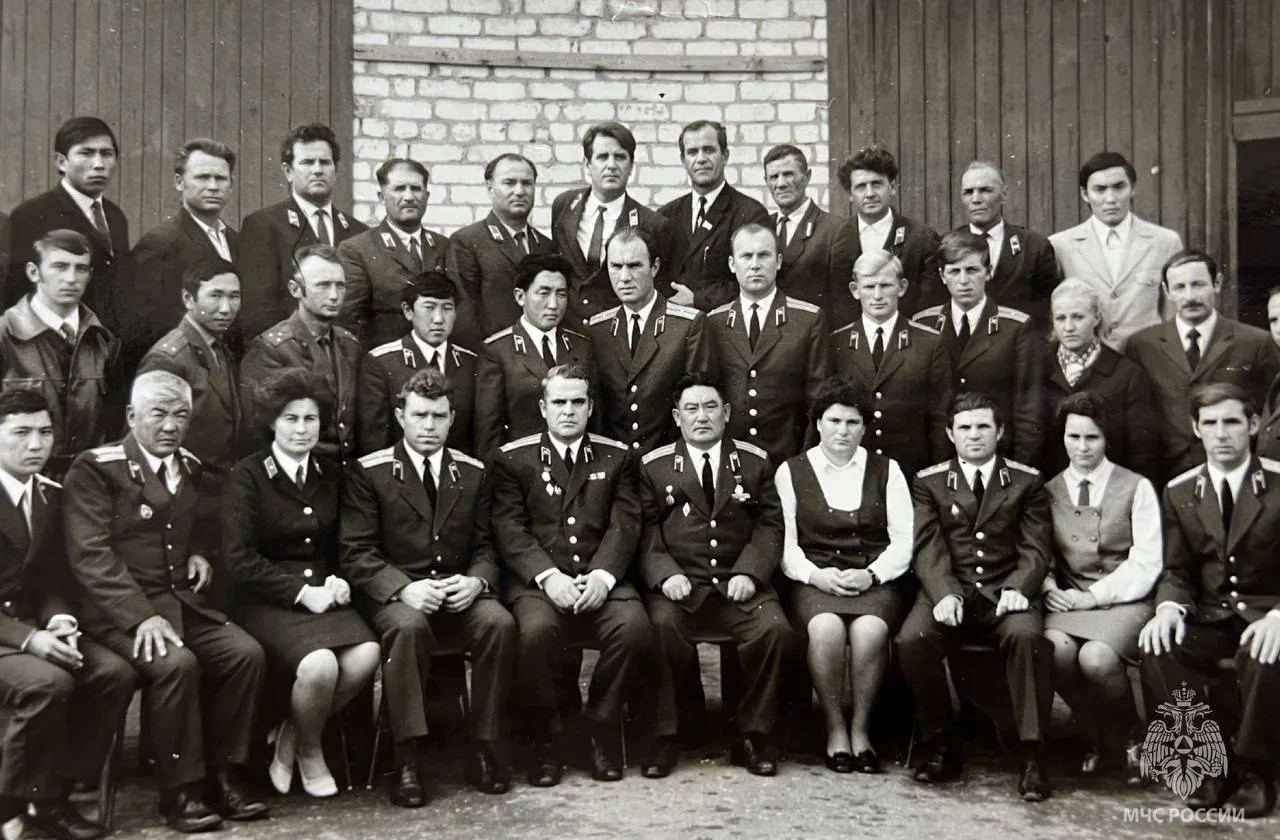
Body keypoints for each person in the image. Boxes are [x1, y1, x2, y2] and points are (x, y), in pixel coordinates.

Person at [63, 371, 268, 833]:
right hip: (115, 613)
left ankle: (223, 775)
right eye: (158, 414)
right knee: (176, 664)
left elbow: (196, 523)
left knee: (244, 654)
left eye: (181, 415)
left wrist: (199, 551)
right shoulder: (96, 469)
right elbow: (90, 555)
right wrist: (139, 618)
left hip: (177, 602)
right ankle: (180, 791)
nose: (171, 426)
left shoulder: (190, 467)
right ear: (131, 416)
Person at [341, 368, 515, 804]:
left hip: (457, 593)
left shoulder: (472, 473)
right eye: (420, 415)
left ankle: (485, 743)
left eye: (439, 416)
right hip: (397, 597)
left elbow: (487, 545)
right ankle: (408, 757)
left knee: (498, 623)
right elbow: (357, 552)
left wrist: (476, 581)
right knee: (408, 627)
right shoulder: (370, 472)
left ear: (452, 419)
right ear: (400, 416)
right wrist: (403, 589)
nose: (429, 426)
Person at [222, 369, 379, 800]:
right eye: (290, 419)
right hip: (266, 599)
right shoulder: (247, 475)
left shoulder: (332, 472)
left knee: (367, 654)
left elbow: (345, 543)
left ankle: (292, 731)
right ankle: (311, 752)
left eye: (310, 419)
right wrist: (301, 593)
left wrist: (340, 580)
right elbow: (239, 560)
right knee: (320, 665)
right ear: (272, 422)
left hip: (322, 593)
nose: (301, 429)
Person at [490, 365, 650, 786]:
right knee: (534, 634)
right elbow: (510, 529)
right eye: (558, 402)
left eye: (577, 402)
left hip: (602, 580)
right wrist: (549, 577)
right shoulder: (513, 458)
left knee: (633, 629)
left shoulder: (618, 457)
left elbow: (625, 524)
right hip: (541, 584)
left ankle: (598, 727)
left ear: (590, 407)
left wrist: (602, 576)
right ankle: (550, 736)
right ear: (543, 408)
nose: (568, 411)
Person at [896, 392, 1054, 802]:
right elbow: (928, 546)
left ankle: (1031, 755)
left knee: (1027, 638)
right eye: (964, 427)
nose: (974, 435)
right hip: (952, 587)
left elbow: (1035, 548)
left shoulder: (1026, 480)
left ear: (1000, 431)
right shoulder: (929, 481)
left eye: (983, 426)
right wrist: (944, 593)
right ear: (950, 434)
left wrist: (1019, 588)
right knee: (913, 640)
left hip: (1006, 591)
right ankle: (941, 743)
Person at [637, 371, 793, 779]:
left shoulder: (755, 461)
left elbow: (770, 525)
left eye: (710, 407)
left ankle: (753, 735)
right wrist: (665, 574)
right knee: (658, 627)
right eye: (691, 409)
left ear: (726, 412)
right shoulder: (653, 467)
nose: (701, 416)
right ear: (677, 417)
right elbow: (645, 530)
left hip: (737, 584)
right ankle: (665, 736)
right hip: (680, 586)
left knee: (774, 629)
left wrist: (751, 572)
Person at [1139, 383, 1280, 819]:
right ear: (1196, 429)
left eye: (1232, 422)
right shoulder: (1181, 490)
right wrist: (1168, 608)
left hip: (1268, 613)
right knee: (1157, 646)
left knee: (1263, 653)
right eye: (1210, 423)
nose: (1221, 434)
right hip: (1212, 615)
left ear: (1253, 425)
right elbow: (1177, 570)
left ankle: (1257, 772)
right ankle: (1208, 763)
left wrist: (1279, 615)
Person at [0, 389, 136, 840]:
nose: (36, 444)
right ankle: (9, 810)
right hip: (8, 636)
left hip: (36, 626)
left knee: (113, 672)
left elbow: (54, 579)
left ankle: (51, 796)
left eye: (44, 432)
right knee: (47, 682)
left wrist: (60, 622)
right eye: (21, 433)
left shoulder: (51, 496)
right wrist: (28, 639)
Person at [777, 380, 912, 774]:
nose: (843, 430)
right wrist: (815, 576)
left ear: (864, 427)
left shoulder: (888, 470)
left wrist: (872, 574)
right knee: (826, 629)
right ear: (818, 423)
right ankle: (835, 726)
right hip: (815, 580)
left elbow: (904, 538)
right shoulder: (791, 471)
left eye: (853, 422)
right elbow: (784, 543)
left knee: (870, 630)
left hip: (872, 578)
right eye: (834, 421)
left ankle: (861, 728)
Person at [1042, 393, 1160, 781]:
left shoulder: (1136, 487)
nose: (1082, 447)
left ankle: (1128, 732)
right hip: (1070, 599)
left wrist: (1093, 596)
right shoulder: (1049, 490)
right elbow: (1038, 553)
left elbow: (1146, 562)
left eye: (1092, 437)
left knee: (1096, 658)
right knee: (1053, 652)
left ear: (1107, 438)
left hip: (1125, 599)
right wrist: (1047, 586)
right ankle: (1096, 731)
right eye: (1073, 437)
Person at [1125, 249, 1279, 481]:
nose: (1190, 296)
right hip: (1165, 475)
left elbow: (1269, 414)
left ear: (1217, 283)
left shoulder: (1255, 342)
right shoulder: (1142, 345)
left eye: (1198, 284)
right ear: (1166, 291)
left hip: (1237, 473)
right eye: (1179, 287)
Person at [912, 230, 1043, 464]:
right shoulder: (924, 324)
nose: (963, 280)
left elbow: (1028, 408)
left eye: (972, 270)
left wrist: (1019, 468)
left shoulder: (1015, 327)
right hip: (938, 458)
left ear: (988, 272)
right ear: (942, 275)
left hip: (999, 456)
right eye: (954, 271)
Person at [0, 229, 122, 479]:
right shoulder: (5, 335)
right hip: (20, 481)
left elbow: (114, 423)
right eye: (60, 266)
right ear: (34, 272)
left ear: (90, 275)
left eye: (81, 269)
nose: (71, 278)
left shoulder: (103, 340)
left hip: (87, 481)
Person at [706, 223, 830, 462]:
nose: (755, 265)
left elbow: (818, 400)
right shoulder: (715, 321)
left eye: (763, 255)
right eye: (746, 256)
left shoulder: (807, 320)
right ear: (732, 264)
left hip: (788, 456)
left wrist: (803, 463)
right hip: (731, 459)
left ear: (779, 261)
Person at [585, 227, 713, 454]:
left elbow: (696, 404)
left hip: (668, 461)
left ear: (654, 267)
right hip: (615, 462)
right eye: (616, 266)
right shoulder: (598, 329)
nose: (624, 277)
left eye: (634, 266)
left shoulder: (688, 325)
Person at [2, 117, 132, 339]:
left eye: (106, 154)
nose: (99, 164)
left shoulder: (115, 216)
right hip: (54, 342)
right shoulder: (31, 215)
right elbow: (19, 292)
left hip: (106, 344)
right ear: (61, 162)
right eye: (86, 153)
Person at [238, 123, 367, 340]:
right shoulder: (263, 225)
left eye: (325, 162)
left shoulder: (358, 231)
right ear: (288, 171)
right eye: (307, 162)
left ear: (335, 170)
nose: (317, 170)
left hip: (346, 352)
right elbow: (258, 310)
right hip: (288, 351)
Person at [831, 248, 951, 476]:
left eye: (885, 285)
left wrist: (934, 478)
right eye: (869, 287)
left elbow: (939, 417)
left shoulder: (929, 343)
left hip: (911, 470)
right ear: (855, 290)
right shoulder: (837, 343)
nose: (877, 295)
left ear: (902, 287)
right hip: (853, 470)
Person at [1049, 151, 1183, 350]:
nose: (1110, 198)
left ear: (1132, 189)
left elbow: (1172, 312)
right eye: (1100, 189)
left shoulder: (1165, 242)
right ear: (1085, 194)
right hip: (1088, 359)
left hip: (1149, 359)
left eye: (1119, 187)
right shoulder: (1060, 245)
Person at [241, 244, 361, 461]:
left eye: (340, 286)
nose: (334, 295)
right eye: (323, 285)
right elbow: (259, 429)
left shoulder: (349, 344)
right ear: (295, 289)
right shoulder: (271, 349)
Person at [474, 253, 595, 460]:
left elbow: (595, 419)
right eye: (544, 293)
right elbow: (489, 430)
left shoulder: (581, 346)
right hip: (522, 467)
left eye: (561, 294)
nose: (553, 304)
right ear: (520, 296)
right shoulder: (497, 351)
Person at [138, 258, 247, 486]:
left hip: (217, 485)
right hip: (184, 486)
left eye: (234, 297)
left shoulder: (220, 348)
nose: (226, 308)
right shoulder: (169, 358)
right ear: (188, 299)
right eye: (215, 296)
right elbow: (149, 440)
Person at [551, 122, 671, 328]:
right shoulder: (564, 206)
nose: (612, 165)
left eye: (620, 157)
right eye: (602, 157)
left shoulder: (652, 223)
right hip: (568, 328)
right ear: (587, 165)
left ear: (631, 166)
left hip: (617, 331)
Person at [129, 139, 240, 359]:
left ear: (231, 185)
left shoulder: (236, 240)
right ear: (179, 182)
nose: (213, 186)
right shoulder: (159, 243)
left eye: (220, 178)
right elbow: (148, 325)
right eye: (202, 177)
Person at [1040, 278, 1158, 478]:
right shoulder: (1037, 367)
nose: (1068, 327)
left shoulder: (1127, 374)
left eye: (1078, 317)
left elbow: (1142, 452)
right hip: (1051, 485)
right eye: (1060, 318)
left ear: (1096, 318)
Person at [921, 161, 1057, 326]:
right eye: (968, 192)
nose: (976, 199)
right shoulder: (943, 245)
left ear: (1004, 194)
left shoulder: (1034, 247)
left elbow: (1045, 313)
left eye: (985, 190)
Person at [356, 272, 476, 456]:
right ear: (408, 311)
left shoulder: (470, 362)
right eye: (429, 307)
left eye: (447, 308)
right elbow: (374, 440)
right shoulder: (381, 363)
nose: (439, 319)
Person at [658, 120, 770, 312]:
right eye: (692, 152)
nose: (701, 159)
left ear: (725, 156)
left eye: (709, 150)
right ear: (683, 160)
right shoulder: (667, 214)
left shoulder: (750, 213)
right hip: (675, 322)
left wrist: (698, 299)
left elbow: (757, 279)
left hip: (724, 322)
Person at [337, 158, 450, 348]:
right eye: (399, 189)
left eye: (416, 189)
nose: (409, 197)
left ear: (427, 196)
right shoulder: (357, 249)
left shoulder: (444, 246)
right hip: (384, 359)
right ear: (381, 196)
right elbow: (351, 322)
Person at [448, 154, 556, 344]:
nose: (519, 191)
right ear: (490, 189)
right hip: (490, 355)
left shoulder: (546, 245)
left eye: (527, 183)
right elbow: (464, 317)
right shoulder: (467, 241)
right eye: (509, 183)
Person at [837, 147, 939, 319]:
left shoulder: (922, 238)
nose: (870, 194)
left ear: (892, 187)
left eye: (876, 184)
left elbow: (929, 303)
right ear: (850, 194)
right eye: (861, 187)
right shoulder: (836, 237)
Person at [763, 144, 854, 316]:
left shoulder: (836, 229)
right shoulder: (763, 227)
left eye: (788, 174)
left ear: (807, 177)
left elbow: (843, 304)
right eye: (774, 177)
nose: (781, 184)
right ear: (766, 181)